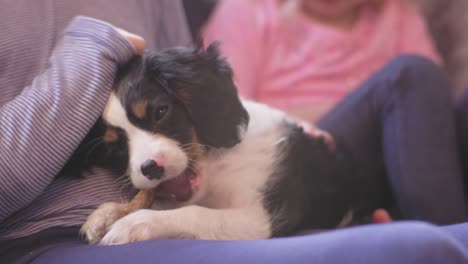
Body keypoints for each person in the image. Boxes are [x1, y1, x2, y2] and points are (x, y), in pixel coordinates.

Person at [1, 1, 468, 264]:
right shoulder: (252, 11)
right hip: (61, 234)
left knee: (416, 76)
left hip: (245, 152)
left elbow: (210, 93)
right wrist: (92, 45)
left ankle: (444, 229)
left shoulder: (398, 17)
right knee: (419, 250)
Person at [202, 0, 467, 223]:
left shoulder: (397, 15)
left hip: (402, 168)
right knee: (412, 74)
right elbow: (225, 108)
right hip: (303, 157)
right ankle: (454, 240)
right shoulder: (249, 9)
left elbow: (432, 111)